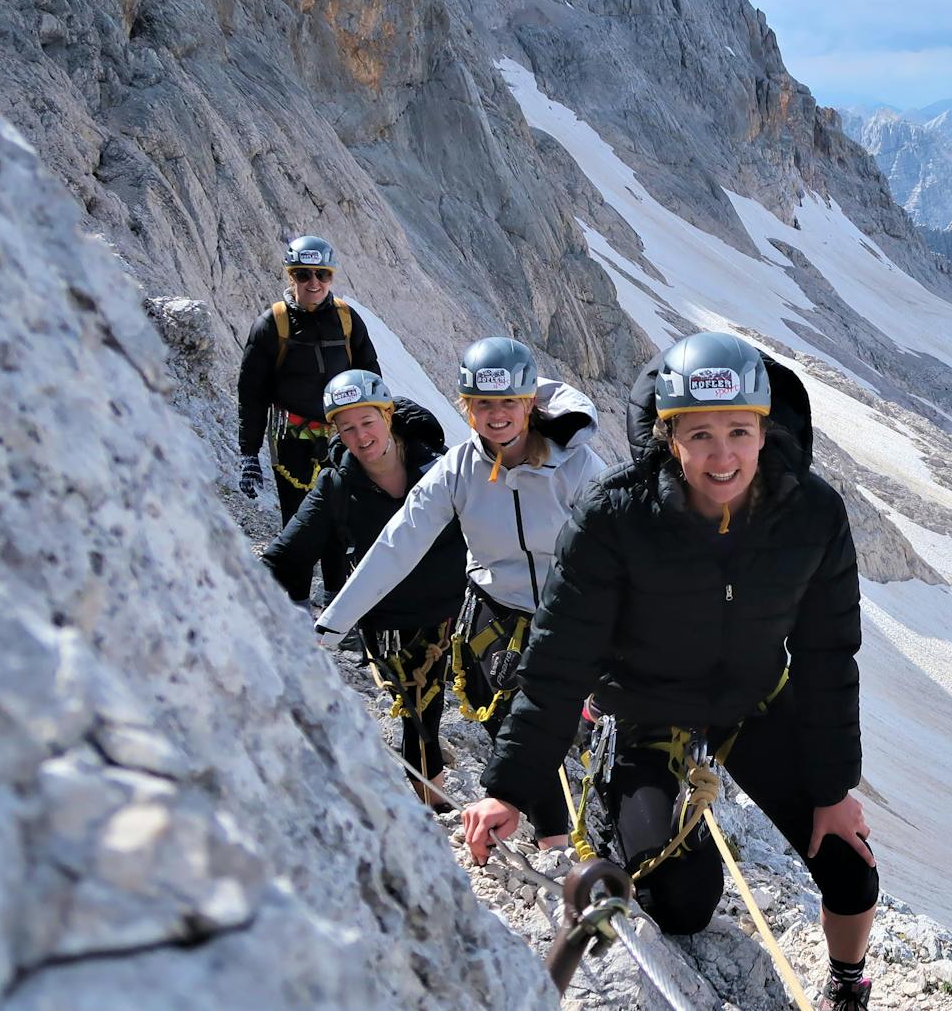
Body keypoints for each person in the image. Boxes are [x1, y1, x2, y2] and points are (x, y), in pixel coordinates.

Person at [464, 332, 879, 1011]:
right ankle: (608, 803)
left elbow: (827, 657)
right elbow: (558, 661)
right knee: (683, 903)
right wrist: (509, 788)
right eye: (700, 434)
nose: (723, 456)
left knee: (850, 868)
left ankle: (846, 985)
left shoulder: (811, 516)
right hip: (646, 707)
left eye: (739, 431)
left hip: (752, 701)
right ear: (668, 435)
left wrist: (832, 790)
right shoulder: (615, 517)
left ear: (765, 428)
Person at [318, 337, 605, 847]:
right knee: (508, 719)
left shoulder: (577, 468)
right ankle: (554, 840)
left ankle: (583, 832)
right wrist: (332, 624)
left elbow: (616, 543)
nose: (496, 416)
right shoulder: (460, 470)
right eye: (482, 404)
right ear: (466, 407)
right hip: (496, 608)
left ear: (528, 404)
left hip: (571, 609)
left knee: (565, 727)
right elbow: (397, 544)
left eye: (507, 403)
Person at [261, 370, 465, 806]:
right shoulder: (336, 488)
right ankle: (433, 802)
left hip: (461, 616)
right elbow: (287, 554)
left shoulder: (440, 467)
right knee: (420, 712)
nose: (360, 436)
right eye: (347, 428)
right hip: (396, 629)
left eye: (367, 422)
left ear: (387, 416)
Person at [236, 234, 382, 599]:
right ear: (291, 276)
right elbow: (252, 392)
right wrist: (248, 453)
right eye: (304, 274)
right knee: (298, 524)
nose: (314, 283)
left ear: (331, 276)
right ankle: (296, 603)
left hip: (340, 437)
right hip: (291, 441)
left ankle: (338, 604)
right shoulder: (273, 324)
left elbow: (371, 376)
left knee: (341, 522)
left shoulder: (348, 320)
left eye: (322, 274)